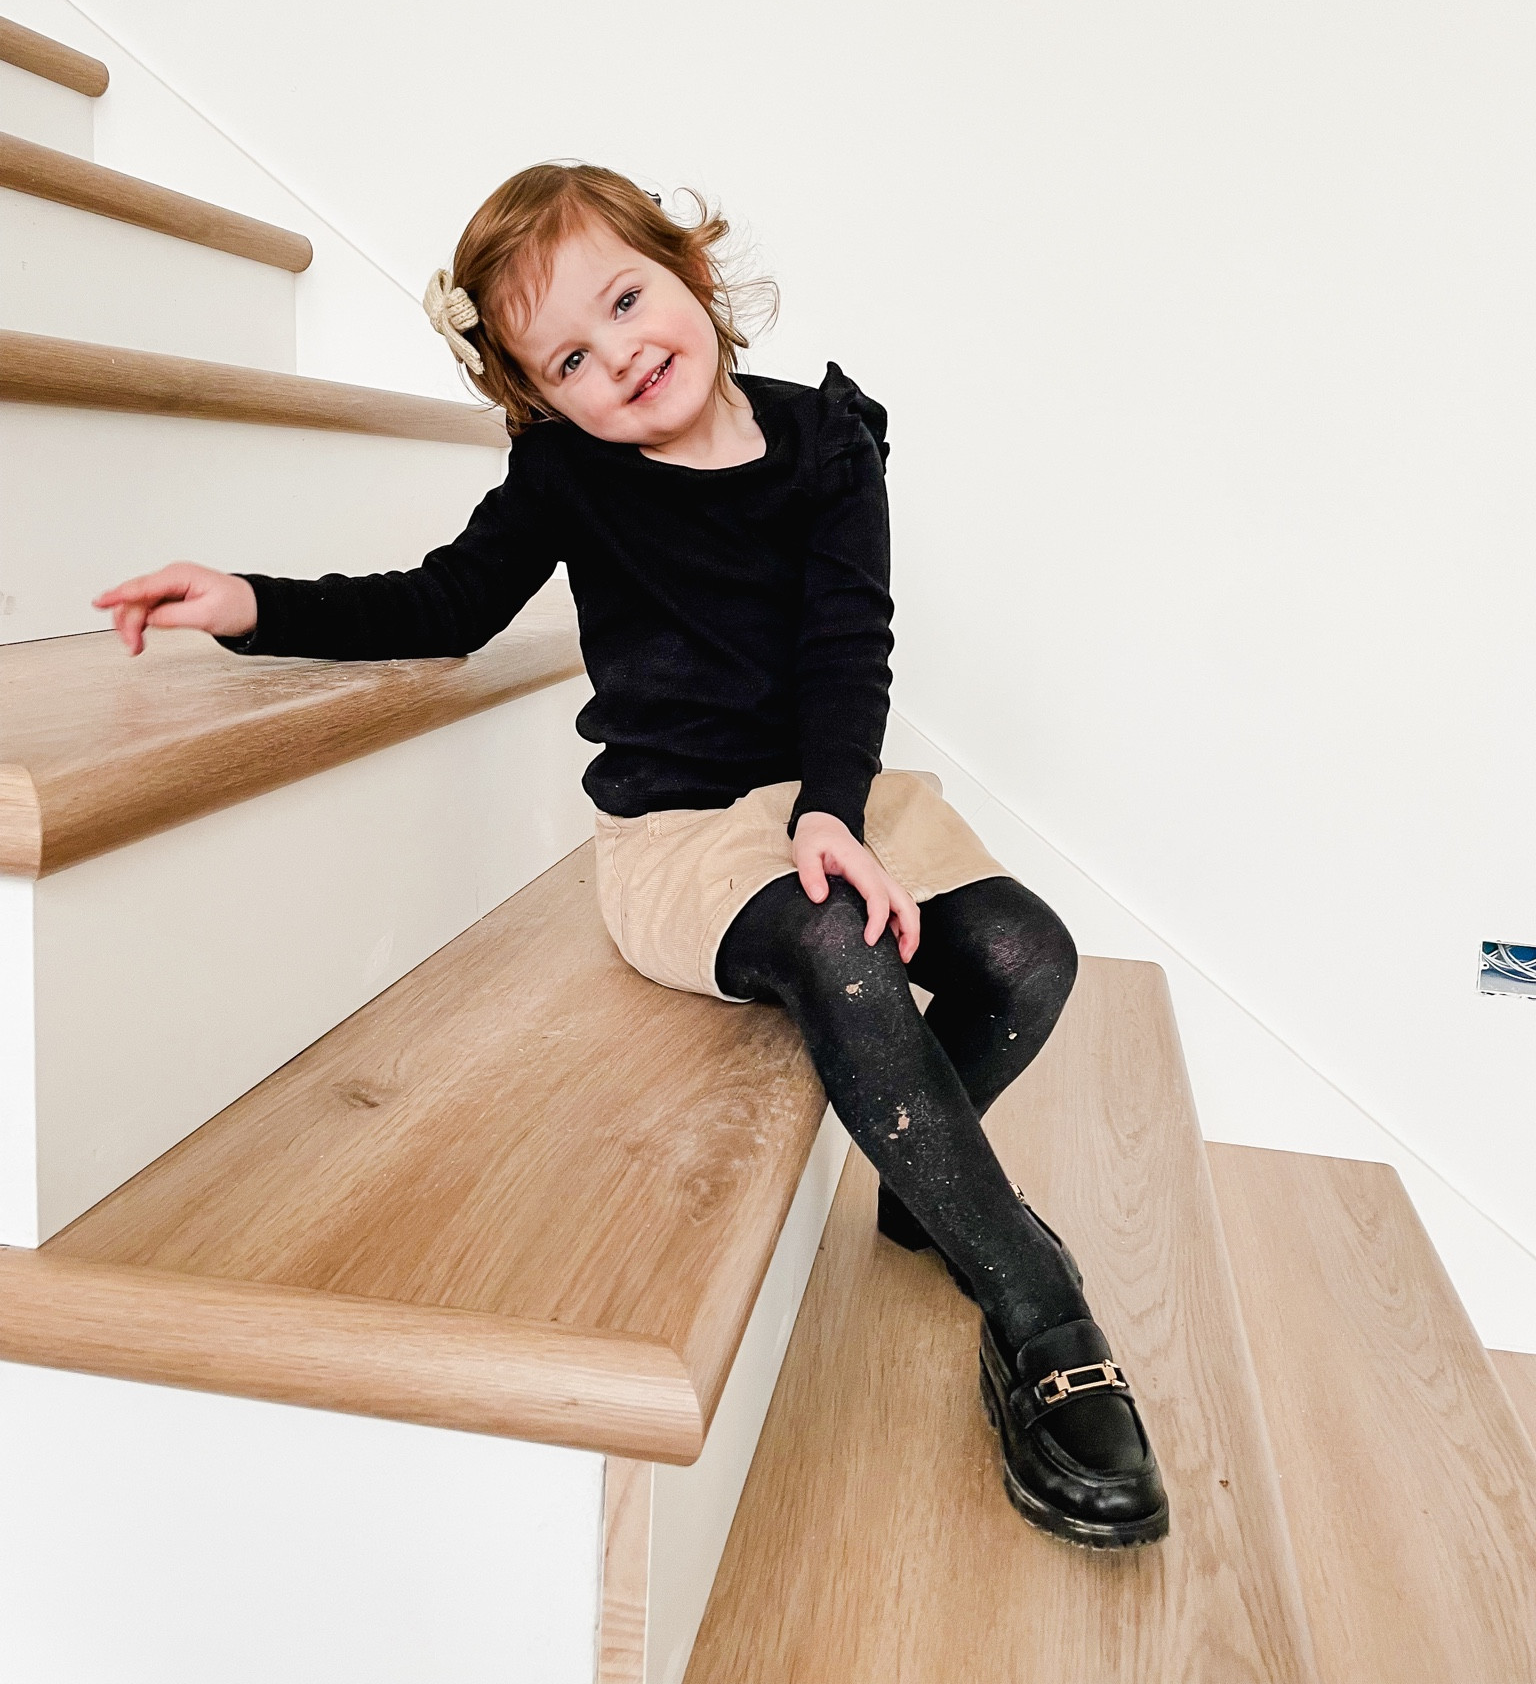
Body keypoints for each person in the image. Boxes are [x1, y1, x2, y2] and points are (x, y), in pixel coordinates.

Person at [94, 162, 1168, 1549]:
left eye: (628, 298)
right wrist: (251, 602)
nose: (623, 354)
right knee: (832, 946)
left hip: (832, 793)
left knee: (1029, 956)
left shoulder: (829, 447)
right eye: (573, 357)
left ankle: (923, 1186)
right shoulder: (569, 478)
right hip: (680, 831)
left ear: (694, 275)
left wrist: (832, 812)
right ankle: (1033, 1300)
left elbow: (850, 647)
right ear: (546, 399)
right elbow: (450, 602)